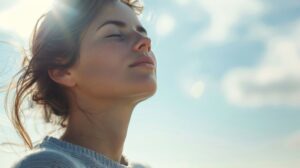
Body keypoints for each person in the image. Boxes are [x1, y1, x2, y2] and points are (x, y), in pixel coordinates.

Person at [8, 0, 157, 167]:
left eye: (142, 32)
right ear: (62, 71)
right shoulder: (47, 164)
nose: (145, 41)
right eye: (115, 34)